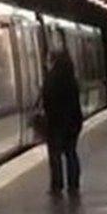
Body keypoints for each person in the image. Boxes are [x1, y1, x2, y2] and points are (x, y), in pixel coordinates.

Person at [42, 48, 83, 195]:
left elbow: (48, 101)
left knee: (55, 155)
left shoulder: (52, 78)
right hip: (73, 122)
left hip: (56, 124)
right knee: (71, 153)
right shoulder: (71, 77)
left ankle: (57, 185)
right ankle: (74, 183)